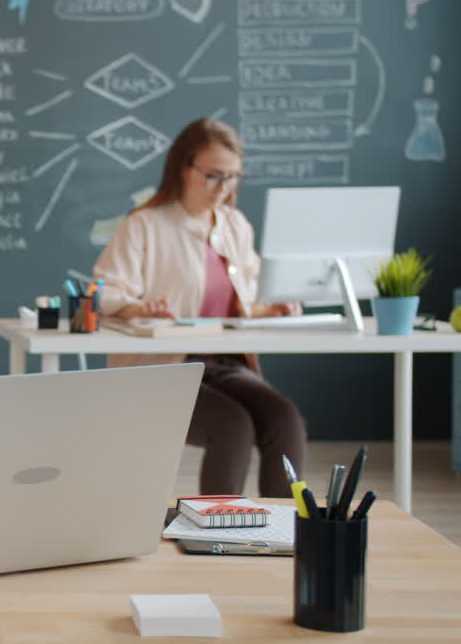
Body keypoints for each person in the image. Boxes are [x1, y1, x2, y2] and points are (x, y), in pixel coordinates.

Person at [92, 118, 307, 498]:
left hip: (225, 366)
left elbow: (238, 305)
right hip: (164, 368)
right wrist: (139, 308)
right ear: (184, 168)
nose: (223, 188)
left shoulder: (235, 226)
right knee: (234, 425)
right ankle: (217, 536)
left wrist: (270, 309)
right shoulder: (144, 225)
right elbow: (104, 293)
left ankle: (284, 534)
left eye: (233, 177)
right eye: (213, 176)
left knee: (284, 418)